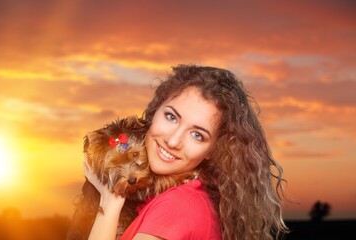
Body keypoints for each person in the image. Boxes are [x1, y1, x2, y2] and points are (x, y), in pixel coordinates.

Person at [84, 64, 289, 240]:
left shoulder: (179, 206)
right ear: (154, 112)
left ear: (213, 150)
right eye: (171, 117)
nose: (173, 141)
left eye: (197, 135)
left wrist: (109, 204)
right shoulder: (179, 196)